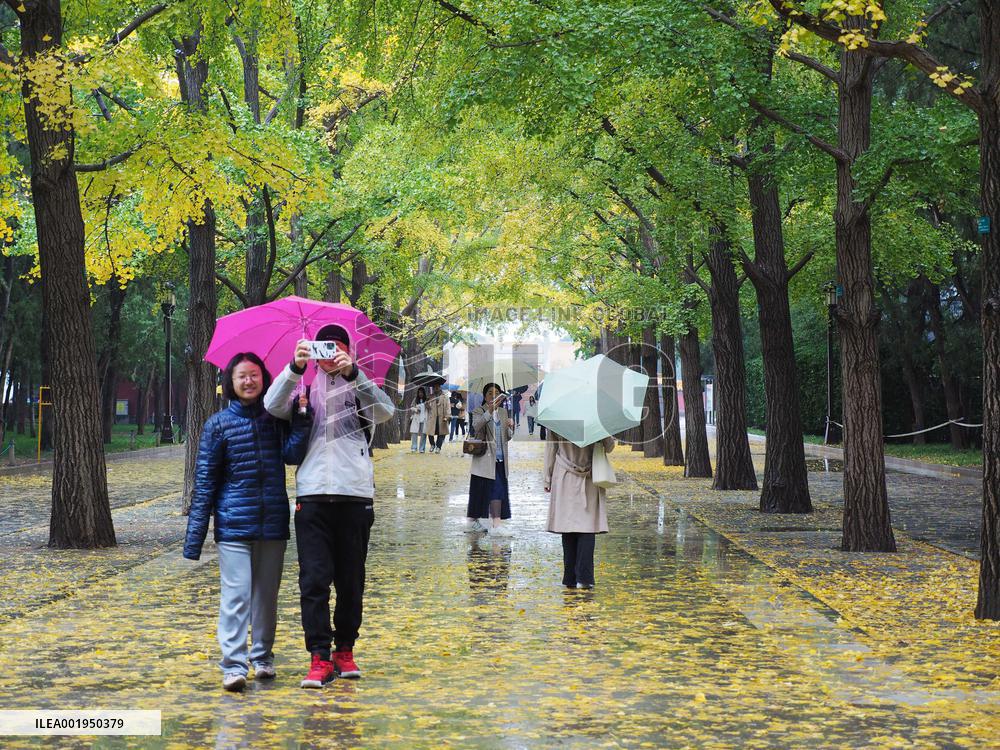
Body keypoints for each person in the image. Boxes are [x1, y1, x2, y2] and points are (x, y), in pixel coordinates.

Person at [264, 325, 394, 688]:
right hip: (313, 495)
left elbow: (386, 412)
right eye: (324, 349)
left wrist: (355, 373)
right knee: (314, 580)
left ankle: (345, 649)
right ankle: (319, 655)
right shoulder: (303, 384)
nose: (329, 356)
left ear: (347, 351)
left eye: (336, 349)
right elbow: (271, 405)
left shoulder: (357, 382)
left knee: (351, 581)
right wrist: (294, 366)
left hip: (355, 495)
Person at [184, 352, 312, 692]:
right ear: (230, 382)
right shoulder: (217, 425)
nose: (249, 381)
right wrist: (194, 539)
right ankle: (233, 666)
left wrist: (300, 416)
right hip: (233, 524)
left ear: (264, 379)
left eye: (254, 375)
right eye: (242, 376)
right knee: (237, 595)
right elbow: (205, 482)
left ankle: (263, 658)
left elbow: (292, 455)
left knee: (266, 596)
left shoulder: (277, 417)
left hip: (272, 521)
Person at [543, 431, 616, 589]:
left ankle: (569, 577)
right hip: (589, 476)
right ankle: (585, 577)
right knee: (587, 528)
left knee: (567, 527)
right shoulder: (595, 419)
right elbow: (609, 447)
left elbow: (551, 448)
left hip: (564, 477)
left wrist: (547, 477)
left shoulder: (557, 417)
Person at [466, 383, 513, 535]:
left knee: (498, 492)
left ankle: (496, 524)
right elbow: (476, 427)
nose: (494, 395)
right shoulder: (479, 411)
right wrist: (489, 411)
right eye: (490, 393)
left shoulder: (504, 412)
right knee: (479, 492)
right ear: (485, 396)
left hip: (500, 460)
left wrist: (511, 427)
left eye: (497, 392)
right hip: (484, 460)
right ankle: (473, 521)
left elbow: (507, 437)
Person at [428, 383, 450, 453]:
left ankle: (438, 447)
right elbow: (428, 408)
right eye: (434, 387)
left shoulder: (445, 397)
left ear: (440, 387)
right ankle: (432, 444)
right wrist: (427, 403)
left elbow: (448, 407)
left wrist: (447, 416)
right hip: (432, 417)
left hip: (442, 417)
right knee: (430, 432)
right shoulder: (431, 396)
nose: (436, 388)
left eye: (437, 386)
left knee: (441, 433)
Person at [409, 387, 428, 453]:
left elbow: (429, 408)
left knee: (423, 434)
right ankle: (414, 447)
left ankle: (422, 448)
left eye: (422, 392)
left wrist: (427, 405)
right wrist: (416, 410)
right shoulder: (415, 399)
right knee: (414, 433)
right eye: (419, 392)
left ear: (424, 393)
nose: (420, 394)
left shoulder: (427, 400)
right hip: (416, 418)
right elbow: (411, 407)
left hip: (424, 419)